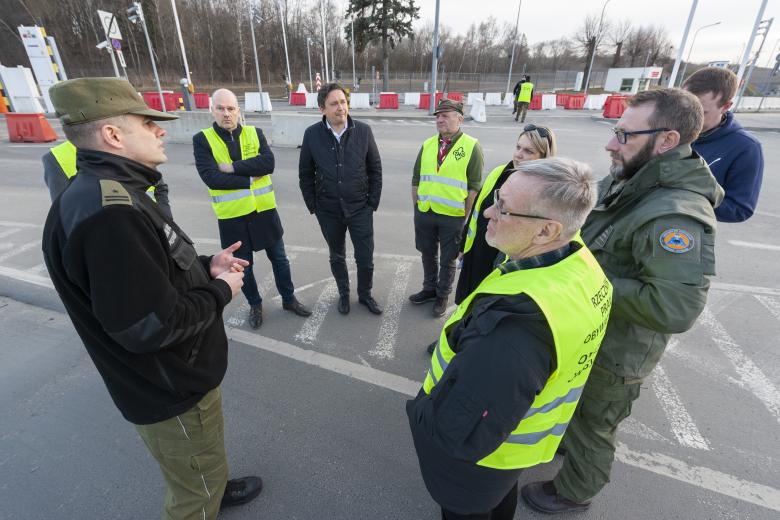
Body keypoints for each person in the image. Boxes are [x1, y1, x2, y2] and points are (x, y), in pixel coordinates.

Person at [42, 77, 263, 520]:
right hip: (169, 387)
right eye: (148, 122)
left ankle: (212, 485)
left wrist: (206, 266)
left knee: (199, 465)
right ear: (112, 135)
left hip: (171, 379)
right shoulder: (111, 214)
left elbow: (156, 269)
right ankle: (207, 494)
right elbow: (151, 325)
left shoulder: (106, 192)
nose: (162, 130)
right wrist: (221, 290)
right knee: (191, 498)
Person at [521, 88, 724, 513]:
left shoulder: (674, 213)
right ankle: (565, 449)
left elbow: (674, 307)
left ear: (666, 140)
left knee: (596, 423)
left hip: (618, 350)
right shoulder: (632, 174)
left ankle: (575, 491)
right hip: (590, 330)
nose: (611, 144)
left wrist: (583, 278)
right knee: (575, 408)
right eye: (615, 131)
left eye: (624, 134)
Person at [407, 158, 612, 520]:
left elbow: (458, 431)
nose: (488, 212)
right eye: (496, 199)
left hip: (480, 463)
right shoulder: (579, 263)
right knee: (501, 501)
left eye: (503, 207)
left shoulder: (514, 327)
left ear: (547, 231)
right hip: (518, 448)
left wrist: (420, 412)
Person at [194, 88, 311, 329]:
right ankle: (255, 305)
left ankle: (289, 299)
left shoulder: (254, 133)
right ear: (212, 110)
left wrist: (232, 168)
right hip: (233, 219)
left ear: (238, 110)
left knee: (280, 260)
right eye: (221, 108)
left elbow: (268, 163)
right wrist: (249, 178)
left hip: (264, 214)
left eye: (231, 108)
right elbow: (211, 178)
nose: (226, 114)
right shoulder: (202, 139)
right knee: (243, 267)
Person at [299, 83, 383, 315]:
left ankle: (365, 294)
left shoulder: (363, 131)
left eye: (343, 102)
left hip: (360, 209)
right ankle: (344, 294)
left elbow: (375, 168)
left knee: (365, 258)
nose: (341, 108)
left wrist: (371, 203)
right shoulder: (312, 135)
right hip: (328, 211)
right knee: (337, 256)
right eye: (334, 104)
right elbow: (305, 173)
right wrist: (313, 205)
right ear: (322, 109)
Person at [456, 124, 557, 304]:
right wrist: (465, 244)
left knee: (488, 305)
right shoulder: (499, 172)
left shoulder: (543, 190)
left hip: (505, 261)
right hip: (478, 249)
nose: (518, 154)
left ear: (543, 156)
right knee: (468, 302)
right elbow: (478, 210)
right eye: (518, 147)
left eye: (528, 151)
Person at [410, 98, 483, 317]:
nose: (440, 120)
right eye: (438, 116)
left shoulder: (471, 146)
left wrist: (464, 215)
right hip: (426, 212)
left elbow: (474, 187)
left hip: (453, 216)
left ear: (459, 119)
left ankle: (442, 295)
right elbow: (416, 179)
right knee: (427, 253)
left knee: (448, 258)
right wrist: (418, 209)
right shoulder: (429, 144)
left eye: (445, 115)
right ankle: (430, 288)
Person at [683, 66, 764, 222]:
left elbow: (740, 208)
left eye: (701, 112)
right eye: (684, 107)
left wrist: (683, 201)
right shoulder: (668, 128)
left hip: (683, 234)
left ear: (726, 106)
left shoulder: (746, 148)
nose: (687, 117)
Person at [42, 139, 172, 218]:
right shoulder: (57, 157)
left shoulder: (127, 142)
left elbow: (159, 186)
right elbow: (65, 211)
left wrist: (165, 219)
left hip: (154, 221)